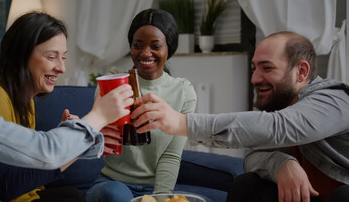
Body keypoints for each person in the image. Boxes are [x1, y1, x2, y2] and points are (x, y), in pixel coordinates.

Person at [0, 0, 133, 201]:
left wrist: (76, 141)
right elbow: (42, 154)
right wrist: (98, 115)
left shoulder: (21, 97)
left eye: (63, 57)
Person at [131, 31, 349, 202]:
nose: (255, 78)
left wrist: (181, 122)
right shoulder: (279, 105)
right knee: (247, 185)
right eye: (254, 68)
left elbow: (278, 127)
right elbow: (253, 156)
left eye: (267, 68)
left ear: (301, 71)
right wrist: (281, 163)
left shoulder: (334, 100)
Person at [0, 12, 101, 202]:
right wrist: (76, 141)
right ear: (21, 55)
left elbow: (28, 163)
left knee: (72, 195)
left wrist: (68, 140)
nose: (61, 68)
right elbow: (7, 186)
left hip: (26, 195)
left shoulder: (25, 96)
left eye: (63, 58)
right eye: (52, 57)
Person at [85, 9, 197, 202]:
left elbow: (171, 156)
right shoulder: (112, 82)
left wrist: (160, 198)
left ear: (169, 48)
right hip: (112, 184)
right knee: (114, 195)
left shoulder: (183, 92)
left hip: (155, 187)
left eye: (156, 46)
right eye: (138, 45)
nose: (145, 53)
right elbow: (99, 140)